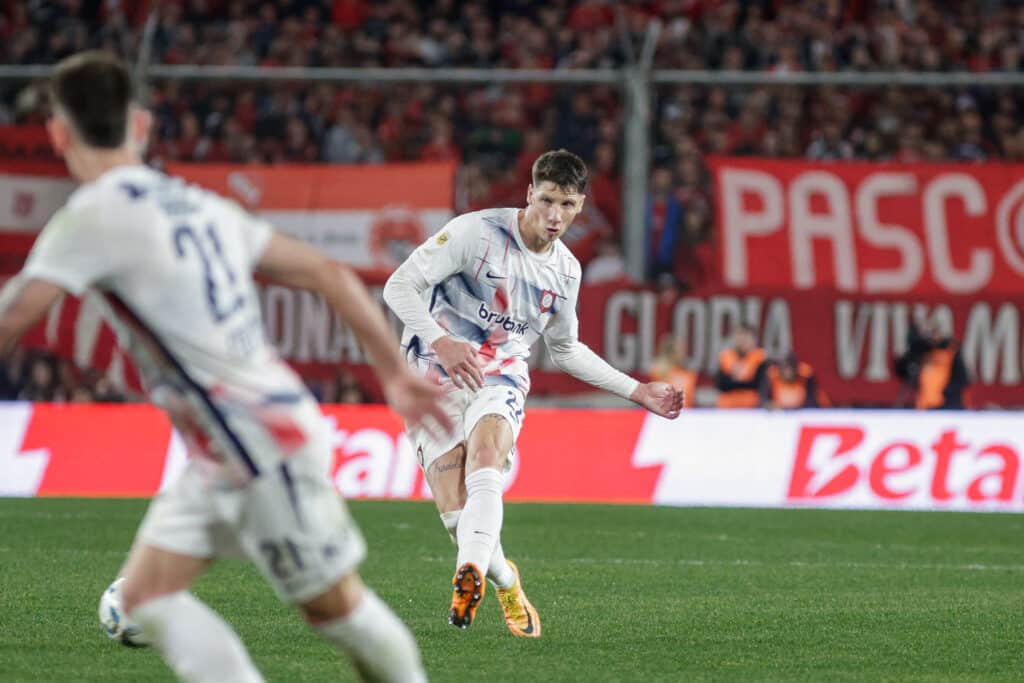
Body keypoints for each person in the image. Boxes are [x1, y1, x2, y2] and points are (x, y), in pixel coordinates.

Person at [0, 51, 452, 683]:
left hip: (256, 442)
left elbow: (13, 318)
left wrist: (396, 374)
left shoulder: (92, 214)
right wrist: (392, 370)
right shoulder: (198, 205)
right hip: (228, 444)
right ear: (141, 125)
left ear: (57, 133)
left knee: (335, 609)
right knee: (146, 600)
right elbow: (327, 273)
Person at [382, 149, 684, 637]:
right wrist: (441, 340)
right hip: (430, 371)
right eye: (546, 200)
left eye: (567, 204)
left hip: (500, 374)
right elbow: (399, 287)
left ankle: (470, 575)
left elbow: (564, 350)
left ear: (580, 205)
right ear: (529, 194)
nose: (554, 215)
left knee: (486, 456)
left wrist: (637, 390)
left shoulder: (565, 273)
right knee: (457, 516)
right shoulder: (474, 233)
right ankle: (503, 579)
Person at [894, 320, 971, 409]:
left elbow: (963, 379)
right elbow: (903, 371)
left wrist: (946, 393)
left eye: (934, 332)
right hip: (925, 405)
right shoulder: (922, 352)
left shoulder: (951, 351)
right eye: (928, 333)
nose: (932, 337)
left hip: (947, 405)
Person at [714, 324, 766, 408]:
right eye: (739, 337)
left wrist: (734, 380)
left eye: (745, 338)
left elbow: (758, 384)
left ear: (753, 340)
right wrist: (744, 381)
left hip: (751, 408)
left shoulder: (760, 358)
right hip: (727, 408)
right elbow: (720, 384)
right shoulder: (726, 357)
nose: (742, 341)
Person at [759, 353, 828, 410]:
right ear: (779, 368)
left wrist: (791, 407)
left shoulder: (805, 376)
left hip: (801, 413)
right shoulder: (772, 376)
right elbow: (764, 399)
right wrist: (771, 405)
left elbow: (811, 402)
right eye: (785, 368)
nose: (788, 372)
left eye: (790, 367)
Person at [649, 335, 696, 409]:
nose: (683, 354)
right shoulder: (659, 372)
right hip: (664, 414)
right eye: (679, 351)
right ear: (670, 352)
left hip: (686, 414)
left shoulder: (688, 373)